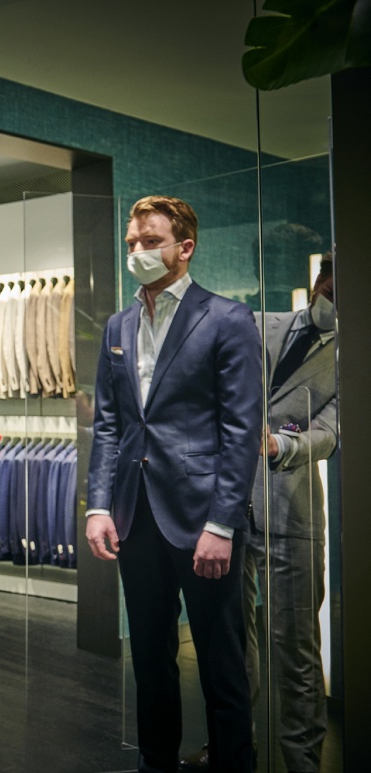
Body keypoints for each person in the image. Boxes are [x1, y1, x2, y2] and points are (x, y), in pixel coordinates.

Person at [86, 195, 264, 773]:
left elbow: (242, 431)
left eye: (152, 241)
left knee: (220, 664)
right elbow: (111, 423)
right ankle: (155, 765)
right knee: (151, 660)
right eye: (132, 243)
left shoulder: (227, 319)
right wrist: (98, 506)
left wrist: (222, 524)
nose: (138, 251)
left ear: (184, 248)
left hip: (202, 521)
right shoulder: (119, 324)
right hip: (136, 518)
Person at [183, 256, 337, 773]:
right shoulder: (255, 323)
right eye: (334, 290)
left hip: (290, 510)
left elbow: (332, 432)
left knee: (294, 652)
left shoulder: (353, 355)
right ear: (319, 283)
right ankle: (232, 747)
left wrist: (279, 446)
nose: (337, 303)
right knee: (230, 645)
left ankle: (302, 761)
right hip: (226, 508)